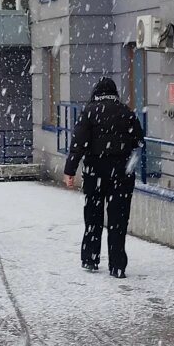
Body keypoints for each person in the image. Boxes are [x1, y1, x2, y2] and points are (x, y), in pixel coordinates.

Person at [63, 77, 144, 278]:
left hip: (95, 173)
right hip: (121, 175)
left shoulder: (89, 112)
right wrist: (128, 164)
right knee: (118, 220)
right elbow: (139, 142)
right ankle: (117, 265)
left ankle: (90, 258)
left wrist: (70, 171)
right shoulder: (126, 112)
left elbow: (78, 144)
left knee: (93, 216)